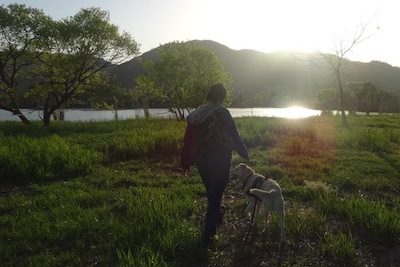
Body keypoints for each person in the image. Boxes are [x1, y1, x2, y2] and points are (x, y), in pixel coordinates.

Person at [181, 83, 249, 245]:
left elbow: (188, 140)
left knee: (213, 194)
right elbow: (235, 134)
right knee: (215, 196)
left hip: (200, 160)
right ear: (220, 97)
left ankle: (218, 214)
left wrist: (186, 160)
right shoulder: (222, 113)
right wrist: (244, 153)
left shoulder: (196, 114)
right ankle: (208, 236)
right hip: (220, 158)